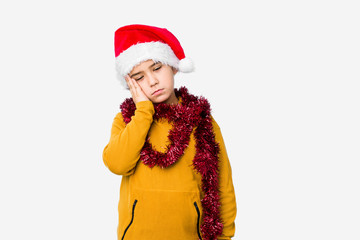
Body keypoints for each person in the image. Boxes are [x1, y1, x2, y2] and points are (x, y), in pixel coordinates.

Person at [102, 24, 237, 240]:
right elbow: (117, 164)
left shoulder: (202, 121)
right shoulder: (127, 121)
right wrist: (144, 112)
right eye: (139, 77)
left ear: (173, 66)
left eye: (157, 68)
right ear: (129, 83)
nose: (153, 81)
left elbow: (222, 185)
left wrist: (225, 236)